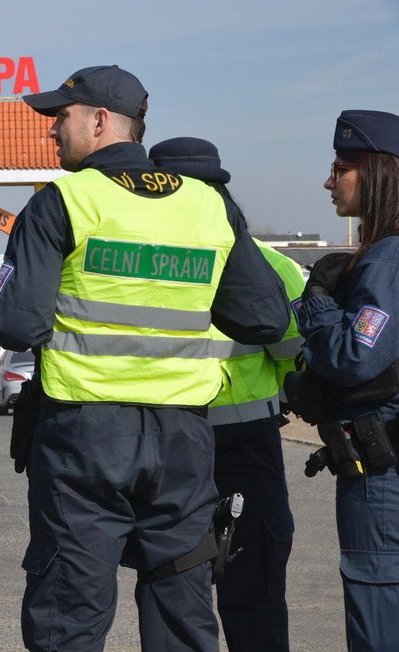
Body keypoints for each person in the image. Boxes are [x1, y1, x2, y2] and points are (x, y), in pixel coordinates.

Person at [0, 65, 290, 651]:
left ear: (99, 121)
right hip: (183, 440)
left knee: (70, 609)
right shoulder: (207, 206)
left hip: (86, 434)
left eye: (60, 118)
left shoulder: (62, 201)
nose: (52, 131)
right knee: (181, 600)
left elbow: (18, 321)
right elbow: (266, 318)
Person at [150, 137, 304, 652]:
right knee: (250, 588)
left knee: (178, 586)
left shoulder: (139, 263)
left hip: (171, 439)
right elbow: (297, 356)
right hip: (240, 443)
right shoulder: (270, 266)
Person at [289, 110, 399, 651]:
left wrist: (319, 308)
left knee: (377, 612)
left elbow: (356, 356)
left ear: (378, 174)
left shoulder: (388, 257)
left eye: (341, 167)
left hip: (383, 477)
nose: (329, 181)